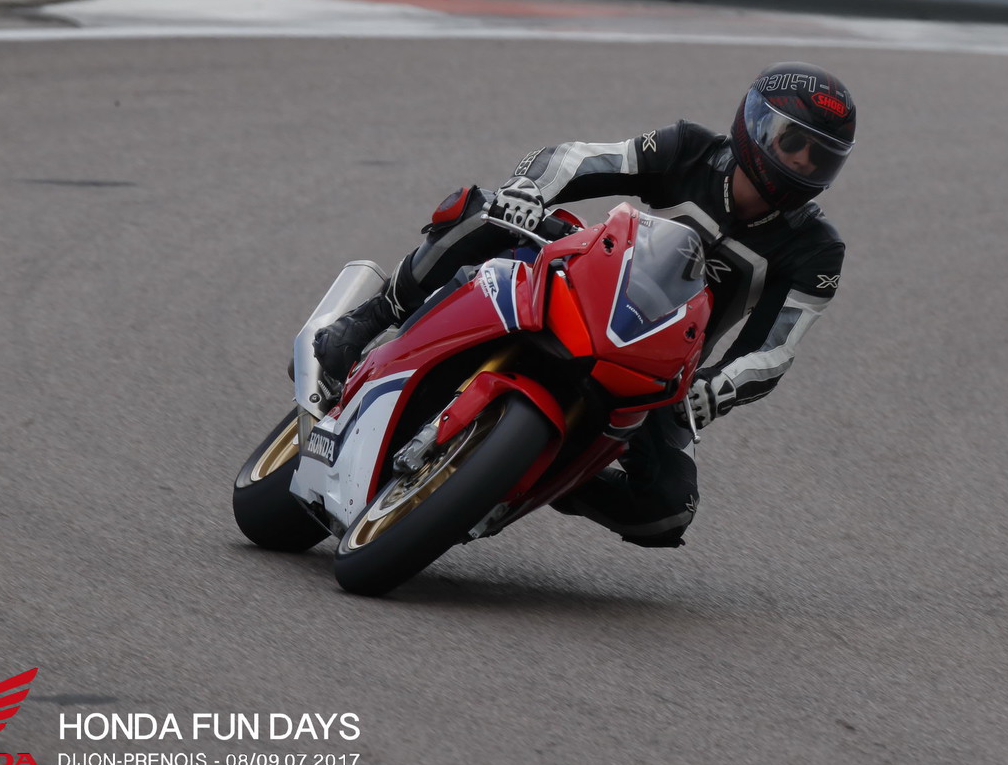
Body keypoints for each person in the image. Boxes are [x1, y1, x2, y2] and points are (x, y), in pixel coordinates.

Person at [314, 61, 856, 548]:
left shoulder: (816, 250)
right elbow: (581, 158)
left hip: (661, 372)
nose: (803, 162)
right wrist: (529, 189)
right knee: (484, 210)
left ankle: (535, 473)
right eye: (793, 142)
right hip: (583, 288)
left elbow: (775, 347)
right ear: (755, 126)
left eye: (821, 157)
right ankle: (370, 318)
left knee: (667, 511)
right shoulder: (690, 149)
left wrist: (717, 389)